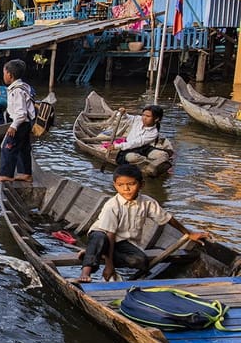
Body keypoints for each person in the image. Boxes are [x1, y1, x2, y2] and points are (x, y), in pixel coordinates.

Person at [79, 164, 208, 283]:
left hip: (123, 242)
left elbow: (168, 219)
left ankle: (95, 252)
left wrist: (189, 233)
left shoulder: (147, 203)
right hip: (103, 235)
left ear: (142, 185)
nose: (126, 189)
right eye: (121, 185)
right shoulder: (112, 205)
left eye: (131, 184)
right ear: (115, 185)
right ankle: (86, 271)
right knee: (99, 238)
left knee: (141, 261)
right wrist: (109, 266)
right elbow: (110, 234)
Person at [0, 59, 35, 183]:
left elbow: (21, 113)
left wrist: (13, 126)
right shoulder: (23, 87)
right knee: (23, 148)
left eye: (4, 73)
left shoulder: (17, 91)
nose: (3, 75)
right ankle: (25, 173)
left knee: (8, 147)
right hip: (26, 123)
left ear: (10, 75)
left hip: (21, 123)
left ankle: (6, 174)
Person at [96, 105, 166, 165]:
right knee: (132, 157)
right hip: (129, 148)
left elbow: (137, 142)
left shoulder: (154, 132)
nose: (144, 118)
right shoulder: (138, 119)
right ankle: (146, 162)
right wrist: (123, 113)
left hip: (142, 148)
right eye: (143, 115)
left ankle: (148, 162)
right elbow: (126, 118)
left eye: (148, 116)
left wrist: (117, 146)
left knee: (163, 155)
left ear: (156, 119)